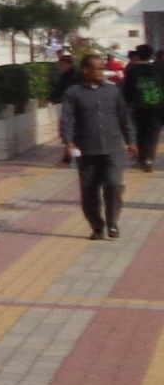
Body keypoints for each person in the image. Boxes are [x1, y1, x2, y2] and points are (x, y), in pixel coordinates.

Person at [60, 58, 134, 240]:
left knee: (113, 184)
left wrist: (131, 141)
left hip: (113, 148)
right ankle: (97, 227)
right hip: (87, 150)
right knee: (89, 191)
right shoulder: (73, 93)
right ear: (85, 70)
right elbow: (67, 119)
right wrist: (68, 142)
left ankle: (112, 221)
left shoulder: (113, 91)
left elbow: (124, 116)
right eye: (98, 68)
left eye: (103, 68)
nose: (102, 72)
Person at [126, 45, 164, 173]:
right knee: (152, 134)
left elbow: (127, 90)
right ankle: (148, 159)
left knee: (139, 132)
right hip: (158, 107)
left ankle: (141, 158)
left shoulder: (132, 70)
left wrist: (126, 105)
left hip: (138, 107)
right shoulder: (159, 68)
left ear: (138, 55)